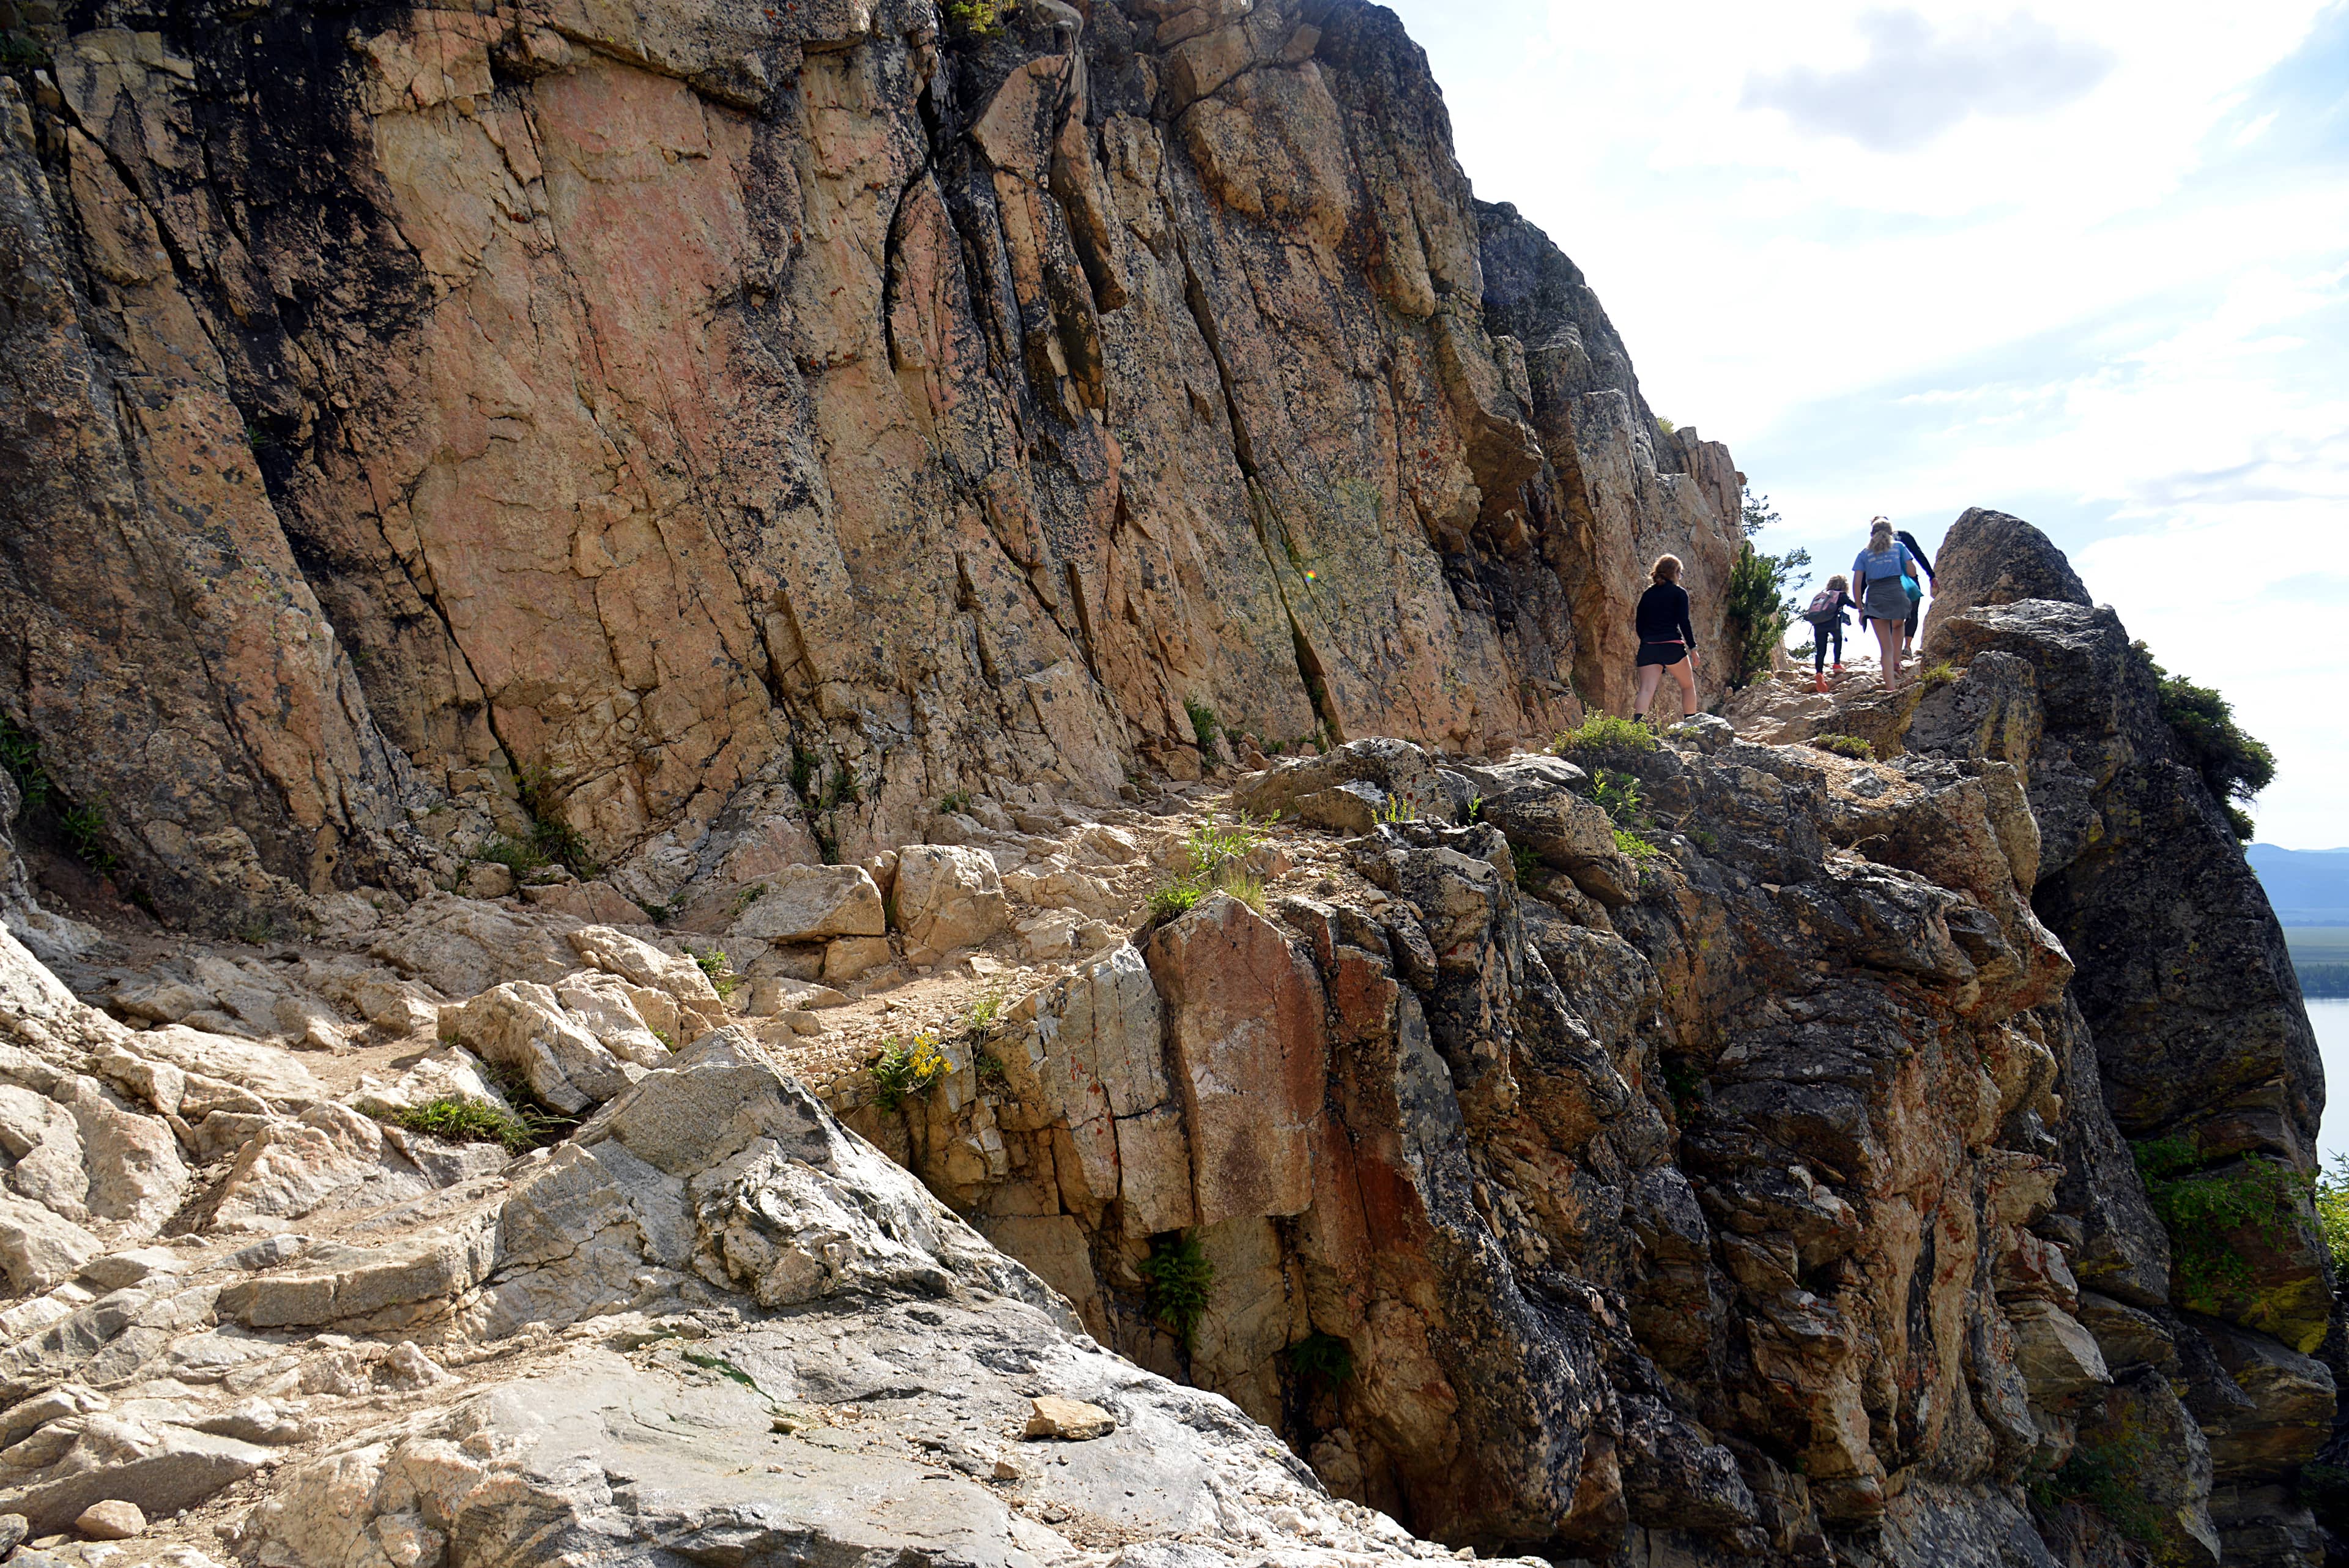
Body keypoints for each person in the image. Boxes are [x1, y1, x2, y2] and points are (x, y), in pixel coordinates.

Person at [1851, 518, 1920, 688]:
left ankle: (1890, 688)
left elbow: (1857, 583)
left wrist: (1860, 609)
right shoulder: (1899, 547)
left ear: (1871, 534)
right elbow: (1912, 572)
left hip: (1875, 597)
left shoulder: (1864, 553)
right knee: (1898, 625)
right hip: (1897, 592)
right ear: (1891, 532)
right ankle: (1897, 661)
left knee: (1885, 649)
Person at [1632, 554, 1700, 720]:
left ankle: (1637, 728)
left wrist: (1648, 642)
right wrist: (1693, 648)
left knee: (1646, 689)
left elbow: (1639, 624)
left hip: (1648, 646)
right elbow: (1684, 622)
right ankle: (1691, 726)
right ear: (1675, 572)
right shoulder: (1679, 593)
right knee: (1687, 686)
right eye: (1680, 574)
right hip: (1672, 646)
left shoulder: (1647, 594)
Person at [1802, 574, 1858, 693]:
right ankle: (1837, 664)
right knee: (1838, 640)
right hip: (1833, 623)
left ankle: (1819, 673)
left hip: (1818, 624)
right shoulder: (1841, 595)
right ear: (1844, 585)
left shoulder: (1823, 595)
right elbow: (1854, 605)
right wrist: (1864, 606)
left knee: (1820, 650)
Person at [1896, 527, 1937, 659]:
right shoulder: (1902, 537)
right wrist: (1931, 575)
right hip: (1910, 579)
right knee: (1912, 612)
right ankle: (1907, 648)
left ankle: (1896, 649)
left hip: (1889, 581)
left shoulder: (1876, 542)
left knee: (1894, 615)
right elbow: (1918, 554)